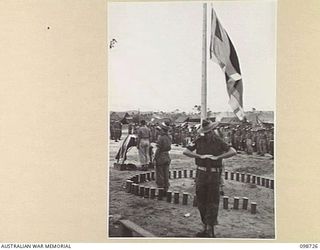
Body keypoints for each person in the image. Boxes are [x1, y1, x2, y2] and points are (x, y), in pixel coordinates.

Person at [183, 119, 237, 238]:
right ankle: (205, 226)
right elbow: (186, 151)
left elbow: (233, 151)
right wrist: (199, 155)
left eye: (209, 131)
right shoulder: (199, 140)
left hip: (214, 175)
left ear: (213, 130)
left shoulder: (219, 141)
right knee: (201, 201)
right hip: (201, 173)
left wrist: (218, 157)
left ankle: (210, 229)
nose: (208, 134)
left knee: (212, 202)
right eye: (206, 132)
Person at [154, 122, 172, 192]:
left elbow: (158, 149)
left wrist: (155, 157)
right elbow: (169, 148)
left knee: (160, 172)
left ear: (163, 130)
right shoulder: (169, 137)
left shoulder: (161, 138)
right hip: (167, 155)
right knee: (166, 172)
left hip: (161, 156)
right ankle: (166, 186)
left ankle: (161, 188)